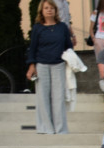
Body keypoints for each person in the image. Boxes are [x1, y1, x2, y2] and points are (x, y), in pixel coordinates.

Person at [26, 1, 72, 136]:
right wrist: (31, 65)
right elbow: (32, 48)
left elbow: (68, 46)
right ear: (42, 11)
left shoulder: (62, 27)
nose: (49, 10)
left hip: (58, 65)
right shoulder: (37, 28)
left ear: (55, 10)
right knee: (43, 97)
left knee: (58, 97)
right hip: (42, 65)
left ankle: (60, 128)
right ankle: (46, 128)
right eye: (46, 8)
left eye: (52, 8)